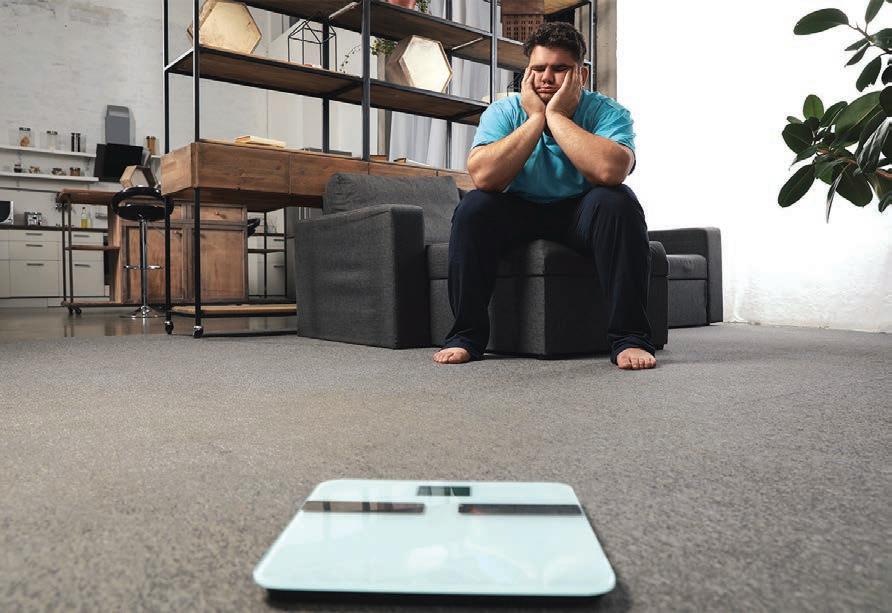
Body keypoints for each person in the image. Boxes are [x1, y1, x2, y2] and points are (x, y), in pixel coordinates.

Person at [432, 21, 657, 370]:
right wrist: (536, 119)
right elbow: (484, 176)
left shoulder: (607, 112)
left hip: (581, 213)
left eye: (559, 69)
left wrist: (556, 116)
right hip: (518, 210)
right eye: (538, 69)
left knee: (619, 201)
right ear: (526, 73)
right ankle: (465, 336)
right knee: (474, 206)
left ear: (581, 75)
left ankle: (630, 338)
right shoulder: (504, 112)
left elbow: (611, 171)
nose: (546, 78)